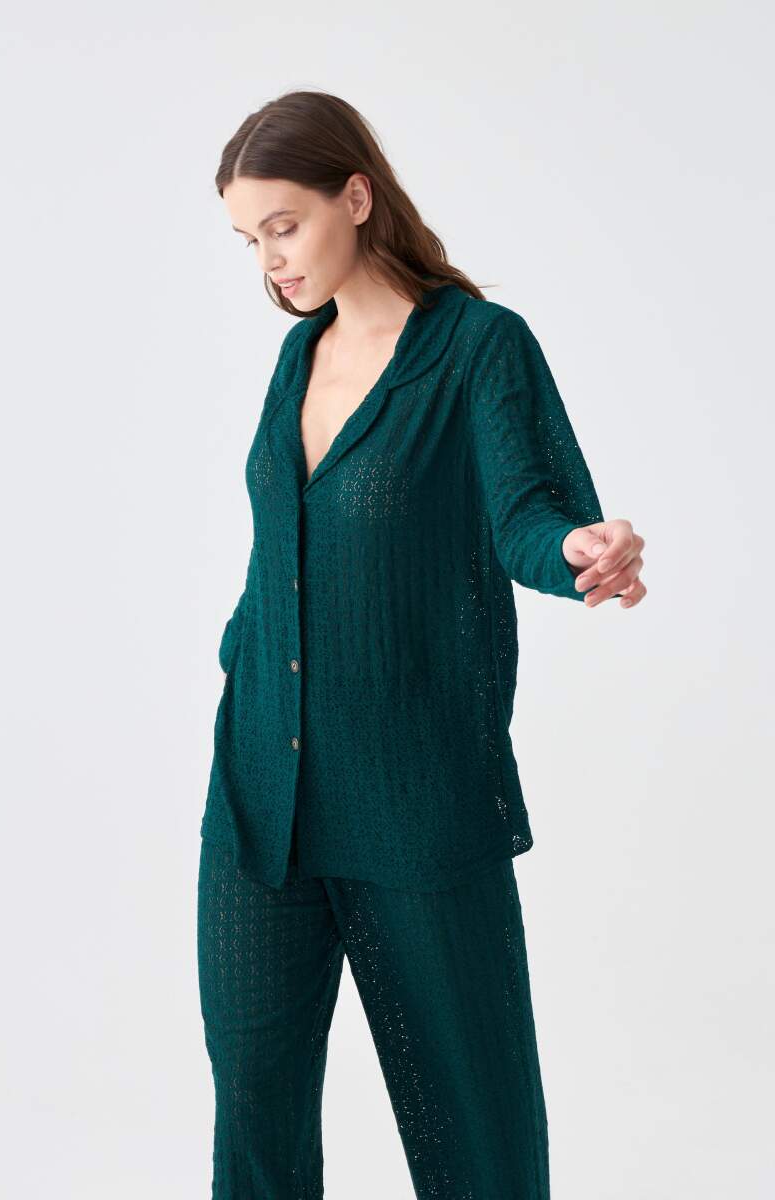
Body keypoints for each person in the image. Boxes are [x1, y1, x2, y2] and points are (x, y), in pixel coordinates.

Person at [197, 89, 646, 1199]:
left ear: (356, 196)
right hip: (260, 792)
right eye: (249, 239)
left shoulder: (477, 348)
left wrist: (579, 550)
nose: (270, 260)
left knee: (473, 1131)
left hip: (414, 795)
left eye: (284, 225)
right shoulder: (298, 357)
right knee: (254, 1118)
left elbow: (527, 514)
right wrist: (242, 650)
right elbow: (283, 547)